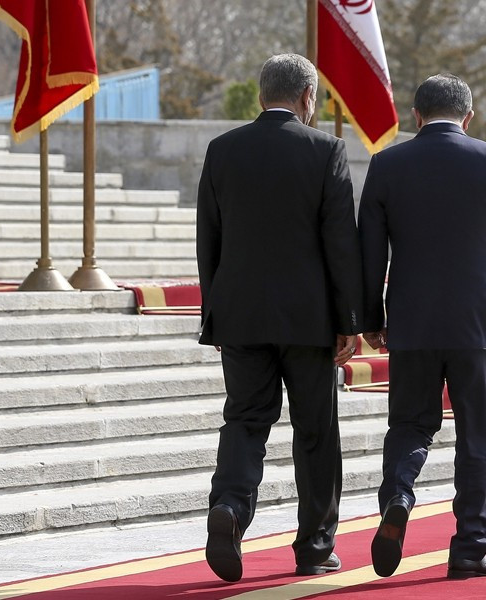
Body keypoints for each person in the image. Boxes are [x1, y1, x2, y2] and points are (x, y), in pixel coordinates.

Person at [358, 73, 486, 580]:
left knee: (411, 425)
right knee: (478, 435)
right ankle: (469, 548)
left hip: (412, 322)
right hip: (476, 324)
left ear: (415, 116)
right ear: (469, 115)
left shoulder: (387, 163)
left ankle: (398, 493)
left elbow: (369, 250)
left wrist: (370, 318)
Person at [196, 53, 362, 583]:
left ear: (261, 94)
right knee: (315, 431)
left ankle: (230, 507)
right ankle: (314, 546)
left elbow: (209, 243)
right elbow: (341, 244)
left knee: (245, 420)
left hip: (241, 315)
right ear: (308, 98)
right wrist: (349, 320)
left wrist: (215, 315)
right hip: (309, 322)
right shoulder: (326, 150)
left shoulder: (222, 151)